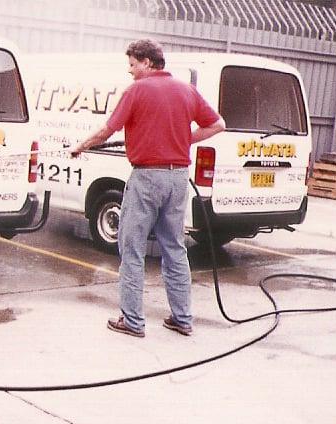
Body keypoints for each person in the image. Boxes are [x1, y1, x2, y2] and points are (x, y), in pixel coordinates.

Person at [70, 39, 225, 338]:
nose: (129, 71)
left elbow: (108, 130)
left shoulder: (137, 90)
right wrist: (182, 141)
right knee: (174, 248)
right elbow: (218, 124)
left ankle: (132, 321)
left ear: (146, 62)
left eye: (131, 65)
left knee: (131, 248)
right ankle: (182, 319)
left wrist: (81, 146)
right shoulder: (186, 90)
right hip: (178, 178)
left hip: (147, 178)